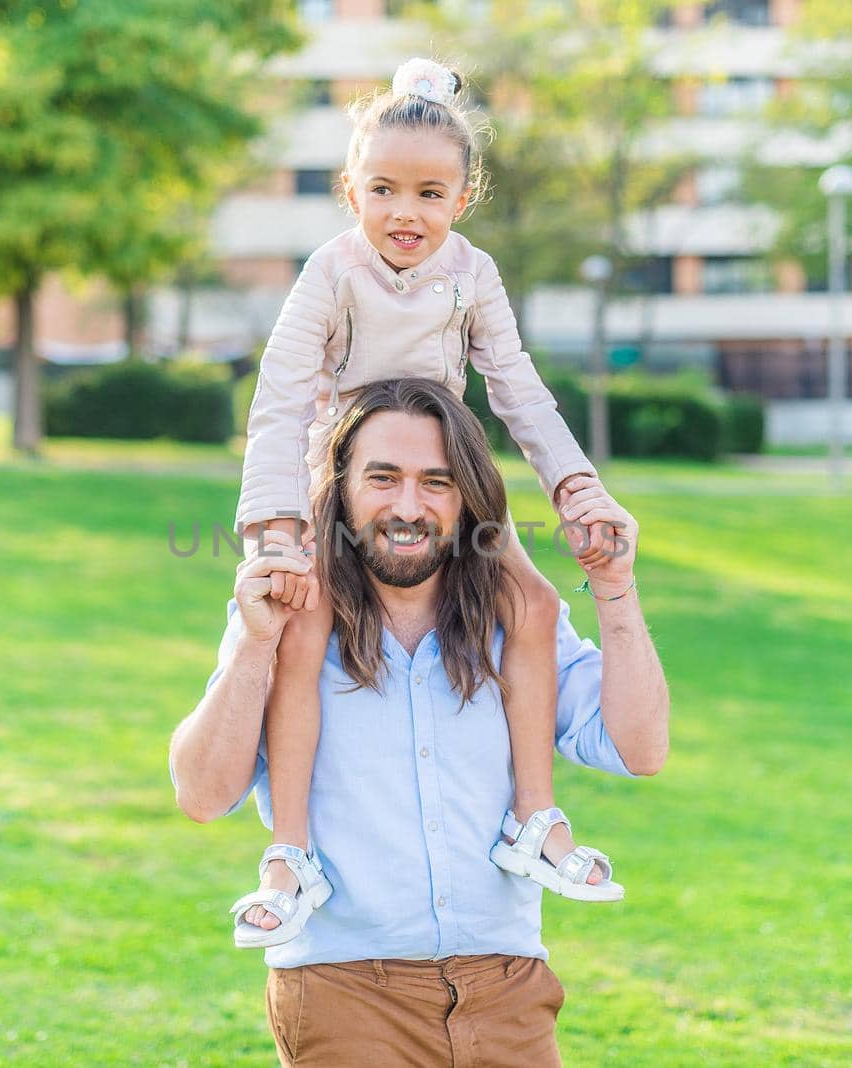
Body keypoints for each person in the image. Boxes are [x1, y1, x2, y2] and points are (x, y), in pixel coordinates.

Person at [233, 57, 637, 947]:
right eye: (383, 190)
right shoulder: (330, 272)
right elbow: (282, 397)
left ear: (462, 197)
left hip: (445, 468)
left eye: (428, 192)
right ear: (351, 191)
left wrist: (576, 486)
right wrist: (275, 528)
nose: (404, 213)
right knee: (302, 626)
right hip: (345, 477)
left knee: (530, 603)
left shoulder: (474, 275)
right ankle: (289, 853)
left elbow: (520, 389)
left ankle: (535, 821)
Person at [172, 378, 669, 1065]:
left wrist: (615, 588)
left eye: (436, 482)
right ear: (339, 486)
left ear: (467, 496)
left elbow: (639, 747)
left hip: (509, 991)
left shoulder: (516, 624)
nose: (409, 507)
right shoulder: (284, 621)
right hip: (346, 992)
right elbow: (201, 794)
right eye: (383, 478)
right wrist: (256, 646)